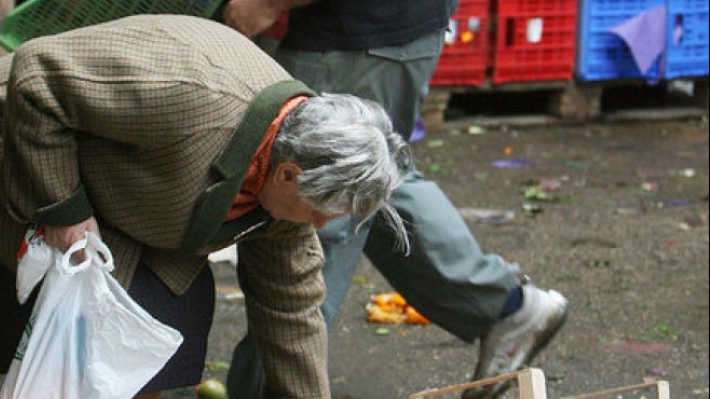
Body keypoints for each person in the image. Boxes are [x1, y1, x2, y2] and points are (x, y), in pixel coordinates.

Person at [0, 15, 413, 399]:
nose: (324, 223)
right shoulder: (189, 98)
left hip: (125, 180)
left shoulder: (290, 171)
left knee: (170, 324)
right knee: (88, 329)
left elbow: (291, 308)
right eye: (323, 208)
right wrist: (62, 210)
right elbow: (38, 77)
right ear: (288, 174)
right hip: (7, 136)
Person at [223, 1, 569, 398]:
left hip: (360, 34)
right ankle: (503, 306)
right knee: (370, 176)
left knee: (312, 205)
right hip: (393, 30)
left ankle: (269, 389)